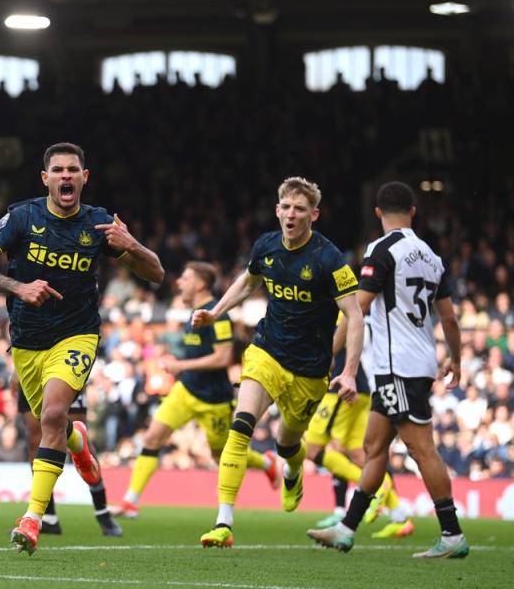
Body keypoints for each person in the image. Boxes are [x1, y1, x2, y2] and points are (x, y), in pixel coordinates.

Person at [0, 142, 164, 555]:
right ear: (46, 178)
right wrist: (19, 287)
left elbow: (156, 274)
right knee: (49, 424)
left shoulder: (100, 225)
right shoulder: (22, 217)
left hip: (77, 334)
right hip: (27, 341)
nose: (66, 176)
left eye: (74, 169)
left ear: (85, 177)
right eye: (59, 170)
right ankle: (78, 444)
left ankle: (33, 518)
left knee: (53, 414)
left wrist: (132, 245)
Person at [196, 176, 364, 548]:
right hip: (267, 350)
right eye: (286, 207)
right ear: (277, 210)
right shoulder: (267, 245)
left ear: (313, 215)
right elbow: (247, 280)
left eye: (300, 209)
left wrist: (349, 372)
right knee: (241, 426)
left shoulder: (329, 258)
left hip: (310, 369)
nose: (291, 214)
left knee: (288, 441)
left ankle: (291, 468)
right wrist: (215, 311)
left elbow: (354, 315)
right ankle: (224, 522)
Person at [306, 181, 469, 558]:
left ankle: (452, 533)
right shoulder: (431, 256)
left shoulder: (381, 250)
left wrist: (327, 352)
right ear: (413, 211)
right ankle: (347, 529)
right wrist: (456, 359)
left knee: (420, 448)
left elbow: (357, 307)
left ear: (377, 213)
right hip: (416, 362)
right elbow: (450, 319)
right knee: (374, 447)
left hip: (398, 365)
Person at [112, 262, 279, 519]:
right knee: (152, 437)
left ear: (200, 284)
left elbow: (223, 358)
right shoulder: (191, 313)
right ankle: (130, 502)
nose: (179, 282)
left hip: (214, 399)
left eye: (185, 278)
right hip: (186, 390)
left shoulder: (218, 314)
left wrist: (180, 364)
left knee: (221, 455)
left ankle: (266, 463)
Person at [307, 314, 414, 538]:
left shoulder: (336, 307)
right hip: (360, 388)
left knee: (312, 448)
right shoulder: (346, 306)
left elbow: (336, 340)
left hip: (339, 388)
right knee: (359, 454)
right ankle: (399, 515)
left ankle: (378, 486)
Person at [15, 379, 122, 537]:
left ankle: (102, 511)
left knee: (77, 434)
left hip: (64, 365)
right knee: (34, 440)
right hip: (30, 367)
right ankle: (49, 517)